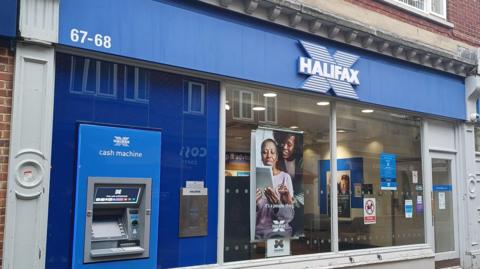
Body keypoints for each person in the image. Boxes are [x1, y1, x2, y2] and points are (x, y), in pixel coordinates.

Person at [255, 138, 294, 239]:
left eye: (272, 152)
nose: (268, 156)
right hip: (259, 233)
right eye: (264, 152)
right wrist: (253, 205)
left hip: (280, 231)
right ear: (261, 156)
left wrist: (277, 204)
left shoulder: (285, 178)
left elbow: (289, 216)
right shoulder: (254, 178)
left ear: (276, 157)